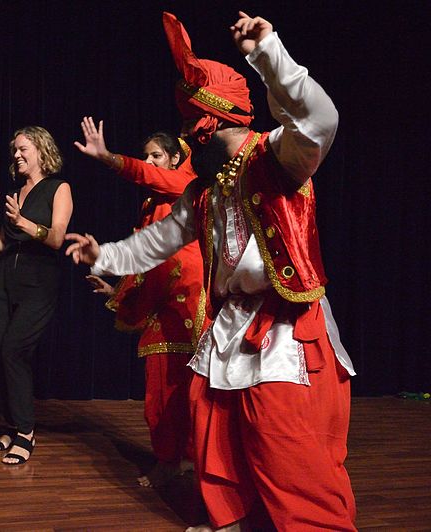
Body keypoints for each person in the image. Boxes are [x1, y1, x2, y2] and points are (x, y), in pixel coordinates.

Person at [66, 12, 356, 531]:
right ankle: (237, 520)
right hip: (230, 327)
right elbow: (155, 243)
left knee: (283, 443)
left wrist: (268, 52)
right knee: (212, 427)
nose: (182, 135)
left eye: (187, 125)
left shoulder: (279, 157)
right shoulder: (204, 191)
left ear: (210, 123)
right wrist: (103, 256)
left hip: (283, 327)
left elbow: (320, 120)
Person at [75, 122, 204, 487]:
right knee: (162, 391)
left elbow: (162, 261)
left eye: (157, 156)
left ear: (177, 159)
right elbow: (148, 259)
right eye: (146, 156)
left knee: (182, 389)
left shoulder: (185, 185)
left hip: (186, 301)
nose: (150, 163)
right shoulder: (154, 204)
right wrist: (116, 289)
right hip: (164, 302)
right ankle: (173, 459)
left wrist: (108, 157)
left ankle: (183, 461)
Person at [0, 126, 73, 465]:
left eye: (23, 148)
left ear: (42, 149)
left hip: (39, 278)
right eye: (14, 149)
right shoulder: (15, 193)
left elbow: (57, 238)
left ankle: (26, 432)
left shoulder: (59, 188)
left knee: (15, 350)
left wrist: (25, 222)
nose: (17, 155)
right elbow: (5, 245)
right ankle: (12, 425)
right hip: (4, 278)